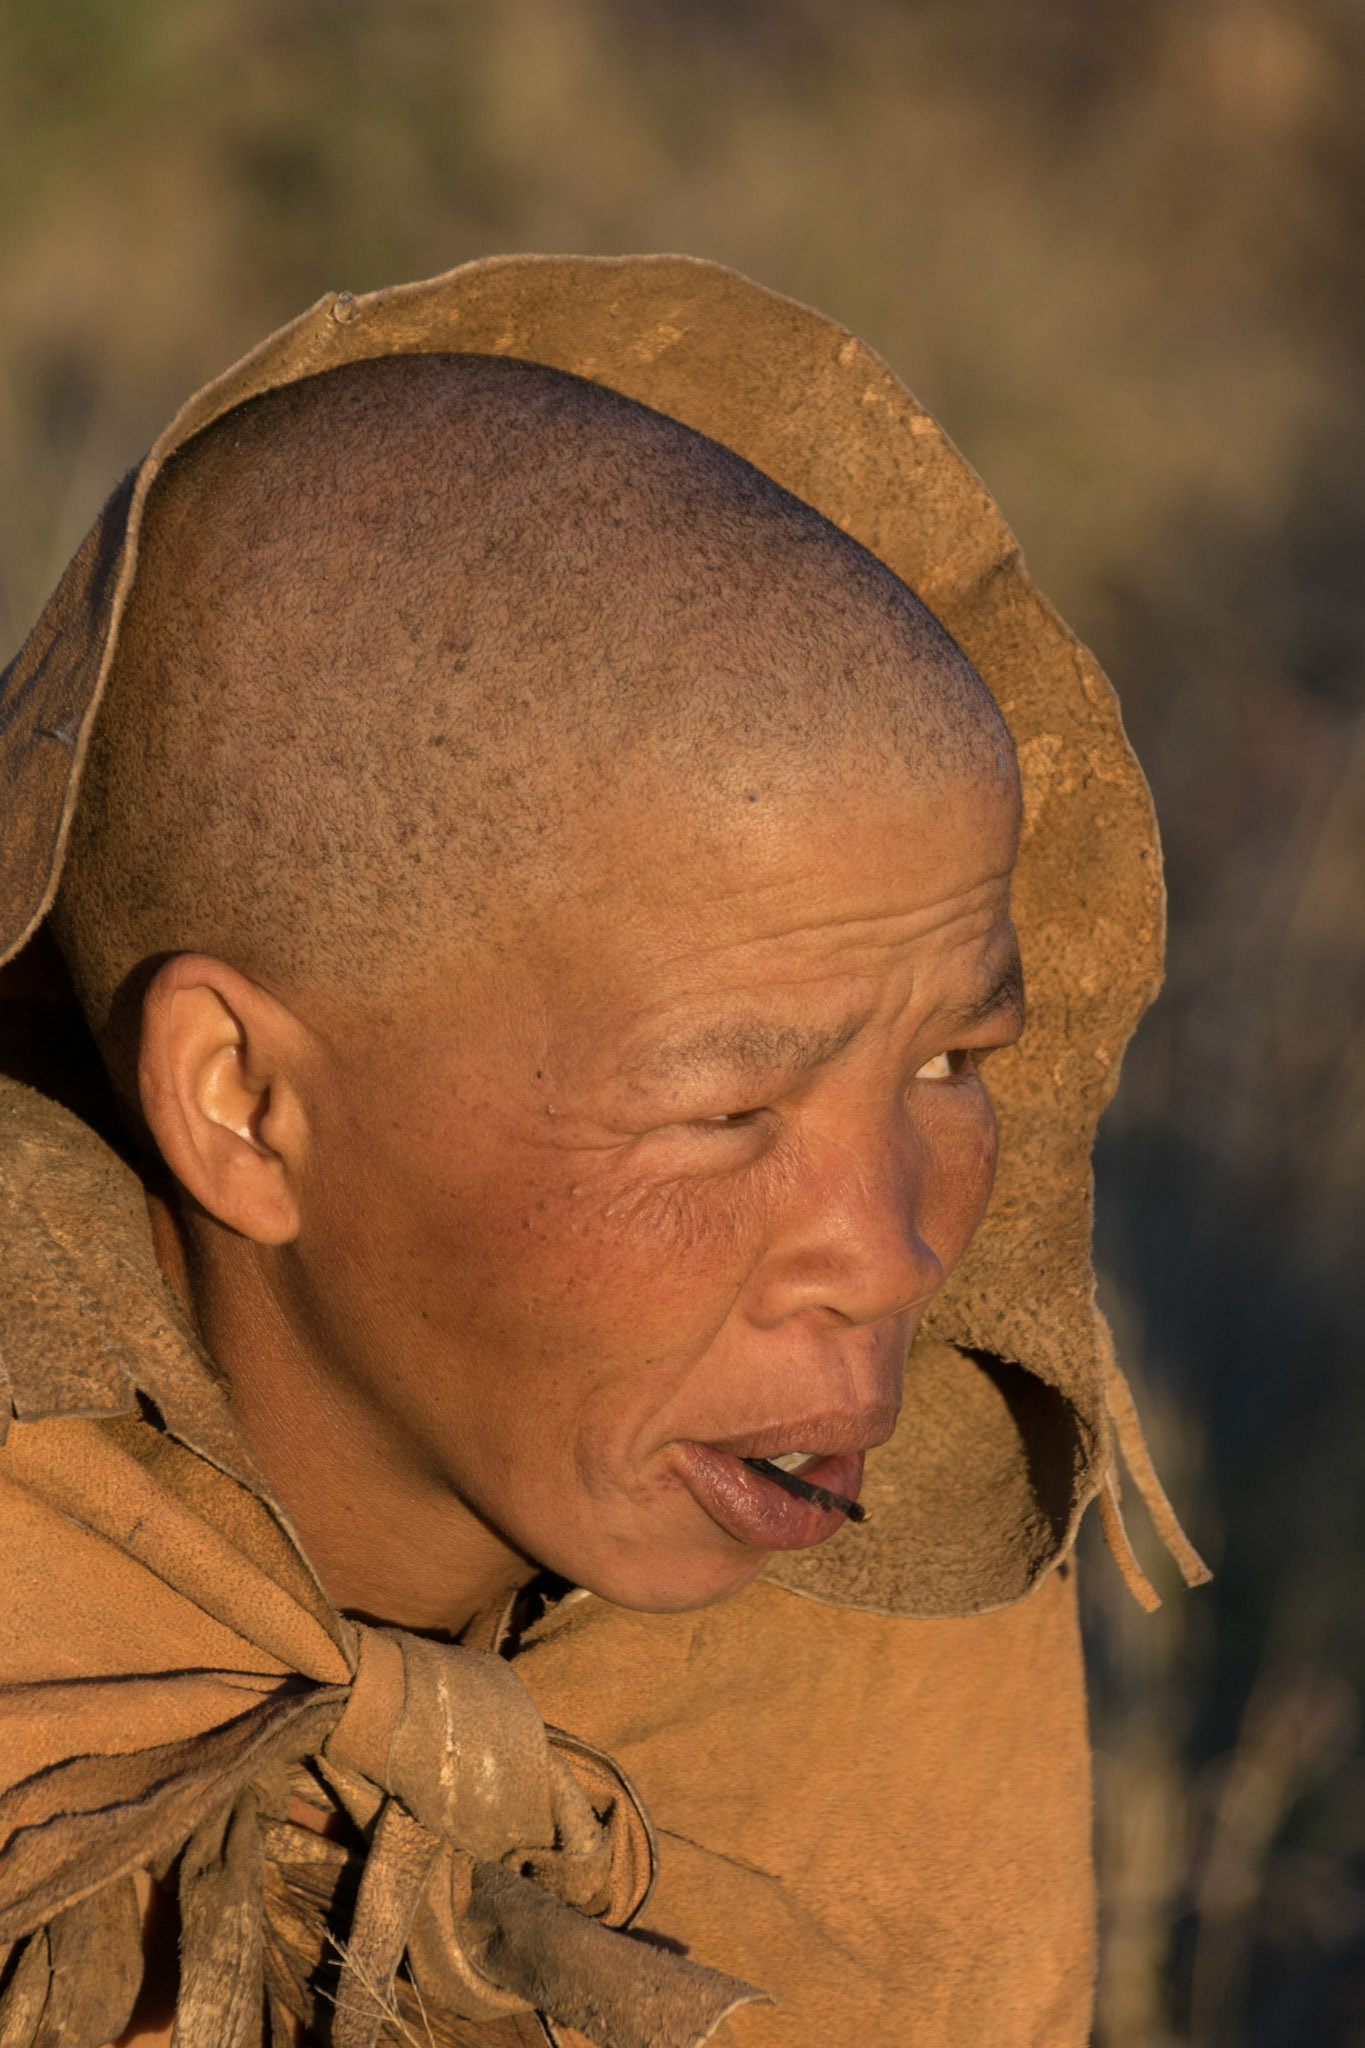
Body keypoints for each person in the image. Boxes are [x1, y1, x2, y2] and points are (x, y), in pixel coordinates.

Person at [0, 254, 1207, 2048]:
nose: (887, 1253)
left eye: (952, 1060)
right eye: (729, 1113)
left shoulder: (865, 1620)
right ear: (242, 1101)